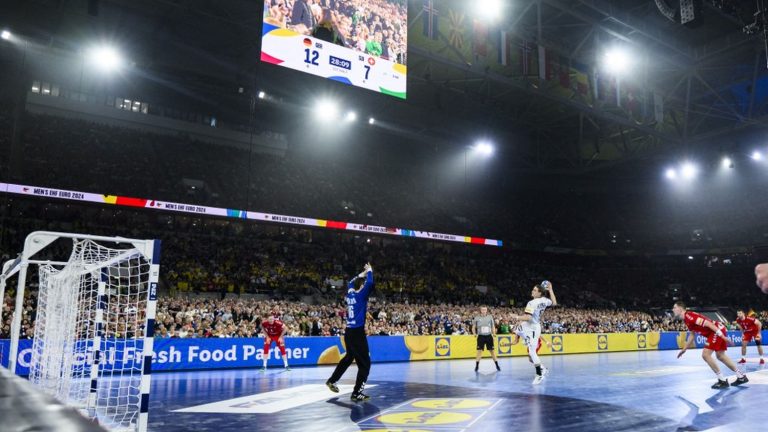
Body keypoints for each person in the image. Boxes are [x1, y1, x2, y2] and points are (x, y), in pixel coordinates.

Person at [326, 263, 374, 401]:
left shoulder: (350, 294)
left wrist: (361, 274)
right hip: (358, 333)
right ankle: (357, 393)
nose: (365, 285)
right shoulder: (361, 296)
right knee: (365, 364)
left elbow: (350, 282)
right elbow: (370, 283)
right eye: (363, 284)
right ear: (361, 286)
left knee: (349, 357)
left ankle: (332, 380)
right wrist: (369, 271)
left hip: (349, 331)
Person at [673, 302, 748, 388]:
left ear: (680, 309)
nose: (673, 309)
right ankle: (741, 377)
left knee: (705, 355)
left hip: (716, 330)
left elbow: (709, 324)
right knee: (721, 356)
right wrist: (684, 349)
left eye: (674, 307)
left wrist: (723, 337)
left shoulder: (689, 316)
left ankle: (722, 380)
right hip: (718, 329)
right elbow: (692, 334)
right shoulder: (686, 319)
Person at [512, 281, 557, 384]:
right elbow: (554, 302)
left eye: (535, 290)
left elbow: (528, 317)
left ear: (540, 293)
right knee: (517, 328)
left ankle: (539, 374)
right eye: (533, 289)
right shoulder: (545, 300)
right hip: (530, 326)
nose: (532, 291)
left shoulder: (531, 303)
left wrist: (517, 317)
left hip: (532, 327)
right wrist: (550, 290)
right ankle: (525, 340)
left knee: (532, 352)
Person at [473, 306, 500, 372]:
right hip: (481, 336)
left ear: (486, 310)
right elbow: (473, 327)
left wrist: (494, 334)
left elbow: (493, 326)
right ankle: (477, 366)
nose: (484, 311)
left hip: (489, 336)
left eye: (485, 310)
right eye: (483, 310)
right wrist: (474, 333)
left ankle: (497, 365)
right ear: (480, 310)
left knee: (492, 351)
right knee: (479, 352)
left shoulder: (490, 317)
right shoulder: (477, 318)